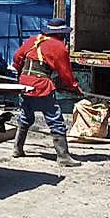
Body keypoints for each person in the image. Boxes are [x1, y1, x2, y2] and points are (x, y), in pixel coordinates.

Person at [12, 19, 82, 167]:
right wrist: (74, 86)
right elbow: (65, 72)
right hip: (41, 85)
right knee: (55, 119)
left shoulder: (32, 40)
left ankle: (17, 149)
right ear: (61, 33)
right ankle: (63, 157)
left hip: (24, 83)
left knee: (25, 115)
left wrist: (22, 76)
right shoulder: (59, 47)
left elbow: (17, 58)